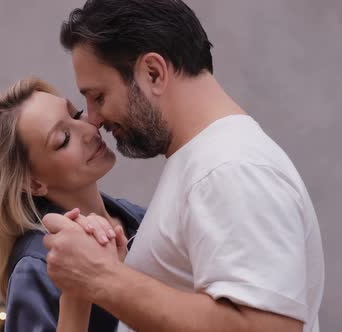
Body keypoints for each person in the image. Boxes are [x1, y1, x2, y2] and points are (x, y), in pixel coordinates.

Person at [42, 1, 325, 331]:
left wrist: (101, 277)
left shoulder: (230, 168)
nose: (92, 118)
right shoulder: (207, 163)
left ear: (153, 73)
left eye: (99, 96)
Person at [0, 78, 146, 331]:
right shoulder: (36, 268)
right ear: (34, 184)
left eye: (77, 114)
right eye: (64, 139)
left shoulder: (141, 218)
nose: (91, 130)